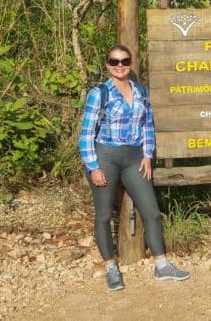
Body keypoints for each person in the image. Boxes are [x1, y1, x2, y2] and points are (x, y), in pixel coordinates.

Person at [79, 45, 190, 291]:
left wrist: (148, 154)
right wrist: (93, 166)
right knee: (104, 215)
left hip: (135, 158)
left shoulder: (140, 90)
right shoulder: (99, 94)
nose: (120, 65)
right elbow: (86, 134)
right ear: (107, 64)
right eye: (114, 61)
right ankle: (111, 268)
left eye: (125, 61)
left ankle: (162, 265)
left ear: (130, 63)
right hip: (105, 156)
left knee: (150, 211)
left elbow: (147, 125)